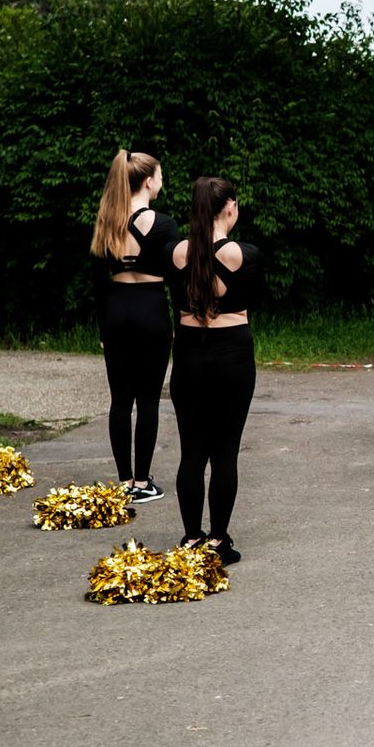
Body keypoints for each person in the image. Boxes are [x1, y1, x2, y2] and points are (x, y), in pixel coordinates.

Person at [163, 177, 263, 565]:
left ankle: (192, 537)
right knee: (225, 451)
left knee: (192, 451)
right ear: (230, 207)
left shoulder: (175, 252)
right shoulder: (245, 254)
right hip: (232, 353)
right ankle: (218, 539)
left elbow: (177, 293)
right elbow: (255, 298)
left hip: (189, 353)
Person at [89, 149, 177, 504]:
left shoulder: (107, 222)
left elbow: (98, 284)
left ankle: (124, 480)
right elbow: (177, 277)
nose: (162, 181)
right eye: (160, 176)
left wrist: (103, 330)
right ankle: (142, 482)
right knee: (149, 400)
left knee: (121, 400)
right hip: (151, 310)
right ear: (148, 181)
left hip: (117, 310)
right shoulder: (165, 225)